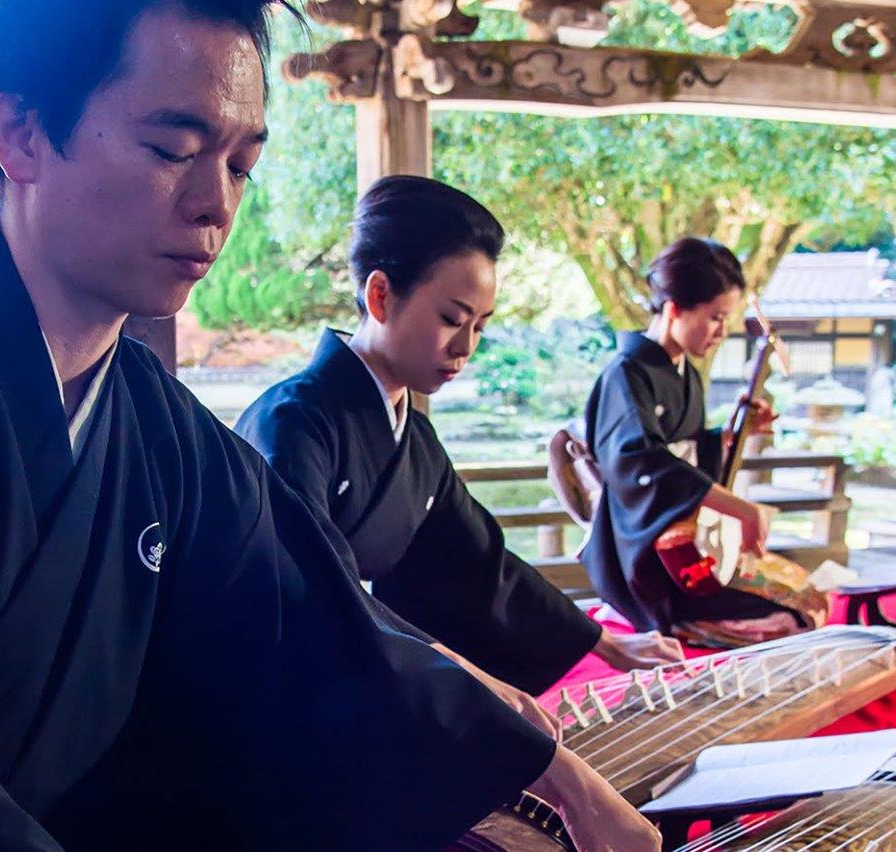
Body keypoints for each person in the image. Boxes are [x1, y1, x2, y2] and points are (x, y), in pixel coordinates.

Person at [0, 2, 660, 850]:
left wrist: (551, 770)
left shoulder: (151, 421)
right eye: (171, 149)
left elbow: (319, 629)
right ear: (15, 135)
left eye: (238, 166)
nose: (211, 207)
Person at [235, 176, 682, 719]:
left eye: (480, 327)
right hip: (277, 693)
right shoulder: (293, 422)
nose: (465, 347)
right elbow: (312, 593)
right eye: (451, 319)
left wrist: (601, 641)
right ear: (380, 296)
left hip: (365, 672)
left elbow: (478, 563)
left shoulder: (414, 438)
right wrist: (460, 673)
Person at [579, 236, 810, 638]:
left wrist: (728, 437)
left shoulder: (683, 371)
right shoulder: (625, 374)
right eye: (716, 317)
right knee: (790, 617)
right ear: (673, 310)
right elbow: (639, 460)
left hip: (692, 545)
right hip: (648, 558)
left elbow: (685, 449)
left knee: (804, 597)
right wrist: (740, 507)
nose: (722, 331)